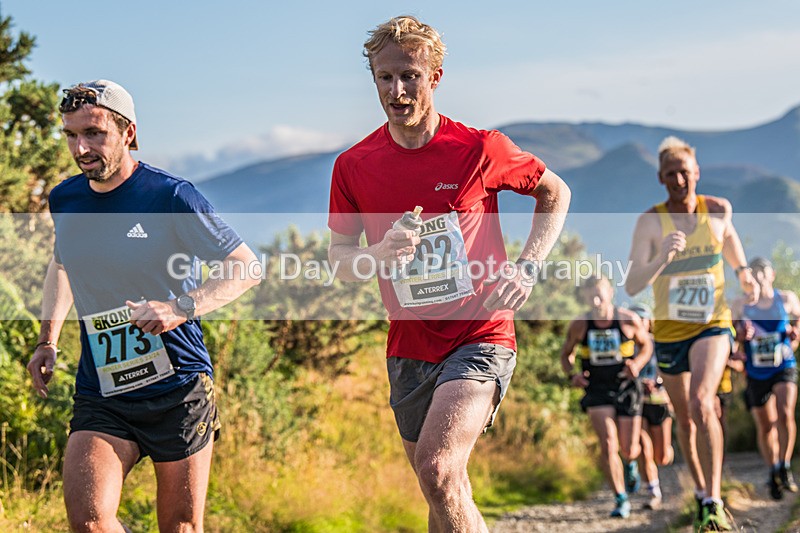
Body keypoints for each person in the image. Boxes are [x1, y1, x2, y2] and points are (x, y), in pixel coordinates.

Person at [327, 16, 570, 532]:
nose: (397, 90)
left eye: (410, 76)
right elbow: (341, 262)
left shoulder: (479, 149)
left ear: (435, 77)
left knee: (438, 471)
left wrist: (527, 266)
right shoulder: (354, 165)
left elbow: (555, 192)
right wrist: (378, 254)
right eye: (385, 78)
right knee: (441, 487)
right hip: (409, 344)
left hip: (481, 332)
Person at [26, 80, 260, 533]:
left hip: (179, 387)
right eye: (71, 135)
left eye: (94, 133)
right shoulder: (65, 199)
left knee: (180, 527)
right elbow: (63, 266)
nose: (81, 148)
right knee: (90, 522)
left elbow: (246, 267)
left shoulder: (170, 197)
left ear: (127, 132)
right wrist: (47, 341)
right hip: (104, 389)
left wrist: (181, 307)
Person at [625, 136, 758, 532]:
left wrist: (744, 272)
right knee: (684, 418)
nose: (679, 180)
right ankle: (701, 494)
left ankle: (715, 498)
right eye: (670, 174)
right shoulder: (650, 222)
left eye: (684, 172)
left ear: (696, 172)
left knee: (703, 403)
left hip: (712, 325)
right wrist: (662, 257)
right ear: (660, 179)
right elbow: (632, 284)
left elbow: (728, 240)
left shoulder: (717, 210)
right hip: (669, 330)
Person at [561, 278, 651, 518]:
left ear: (611, 293)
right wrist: (574, 376)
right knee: (608, 443)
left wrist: (637, 363)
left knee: (629, 449)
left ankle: (630, 464)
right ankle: (620, 498)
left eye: (600, 294)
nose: (596, 300)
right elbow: (566, 354)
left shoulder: (627, 320)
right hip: (597, 388)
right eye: (591, 295)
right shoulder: (580, 324)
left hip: (626, 386)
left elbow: (646, 346)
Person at [731, 256, 800, 500]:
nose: (759, 274)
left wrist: (795, 333)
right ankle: (772, 471)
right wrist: (740, 334)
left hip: (783, 364)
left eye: (763, 269)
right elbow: (732, 337)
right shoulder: (740, 305)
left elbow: (798, 322)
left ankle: (785, 465)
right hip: (756, 370)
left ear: (772, 274)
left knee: (785, 413)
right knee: (766, 424)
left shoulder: (787, 299)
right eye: (754, 270)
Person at [629, 303, 674, 511]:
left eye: (642, 319)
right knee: (644, 447)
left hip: (660, 401)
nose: (638, 324)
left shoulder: (660, 344)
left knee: (662, 457)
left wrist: (658, 384)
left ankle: (641, 464)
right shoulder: (626, 346)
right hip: (636, 403)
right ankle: (653, 492)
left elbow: (671, 371)